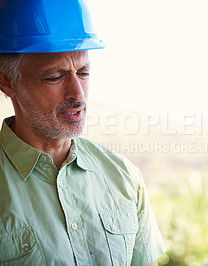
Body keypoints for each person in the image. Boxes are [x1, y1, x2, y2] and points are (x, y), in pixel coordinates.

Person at [0, 0, 165, 265]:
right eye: (54, 76)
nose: (77, 94)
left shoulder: (124, 177)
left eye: (84, 72)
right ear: (7, 82)